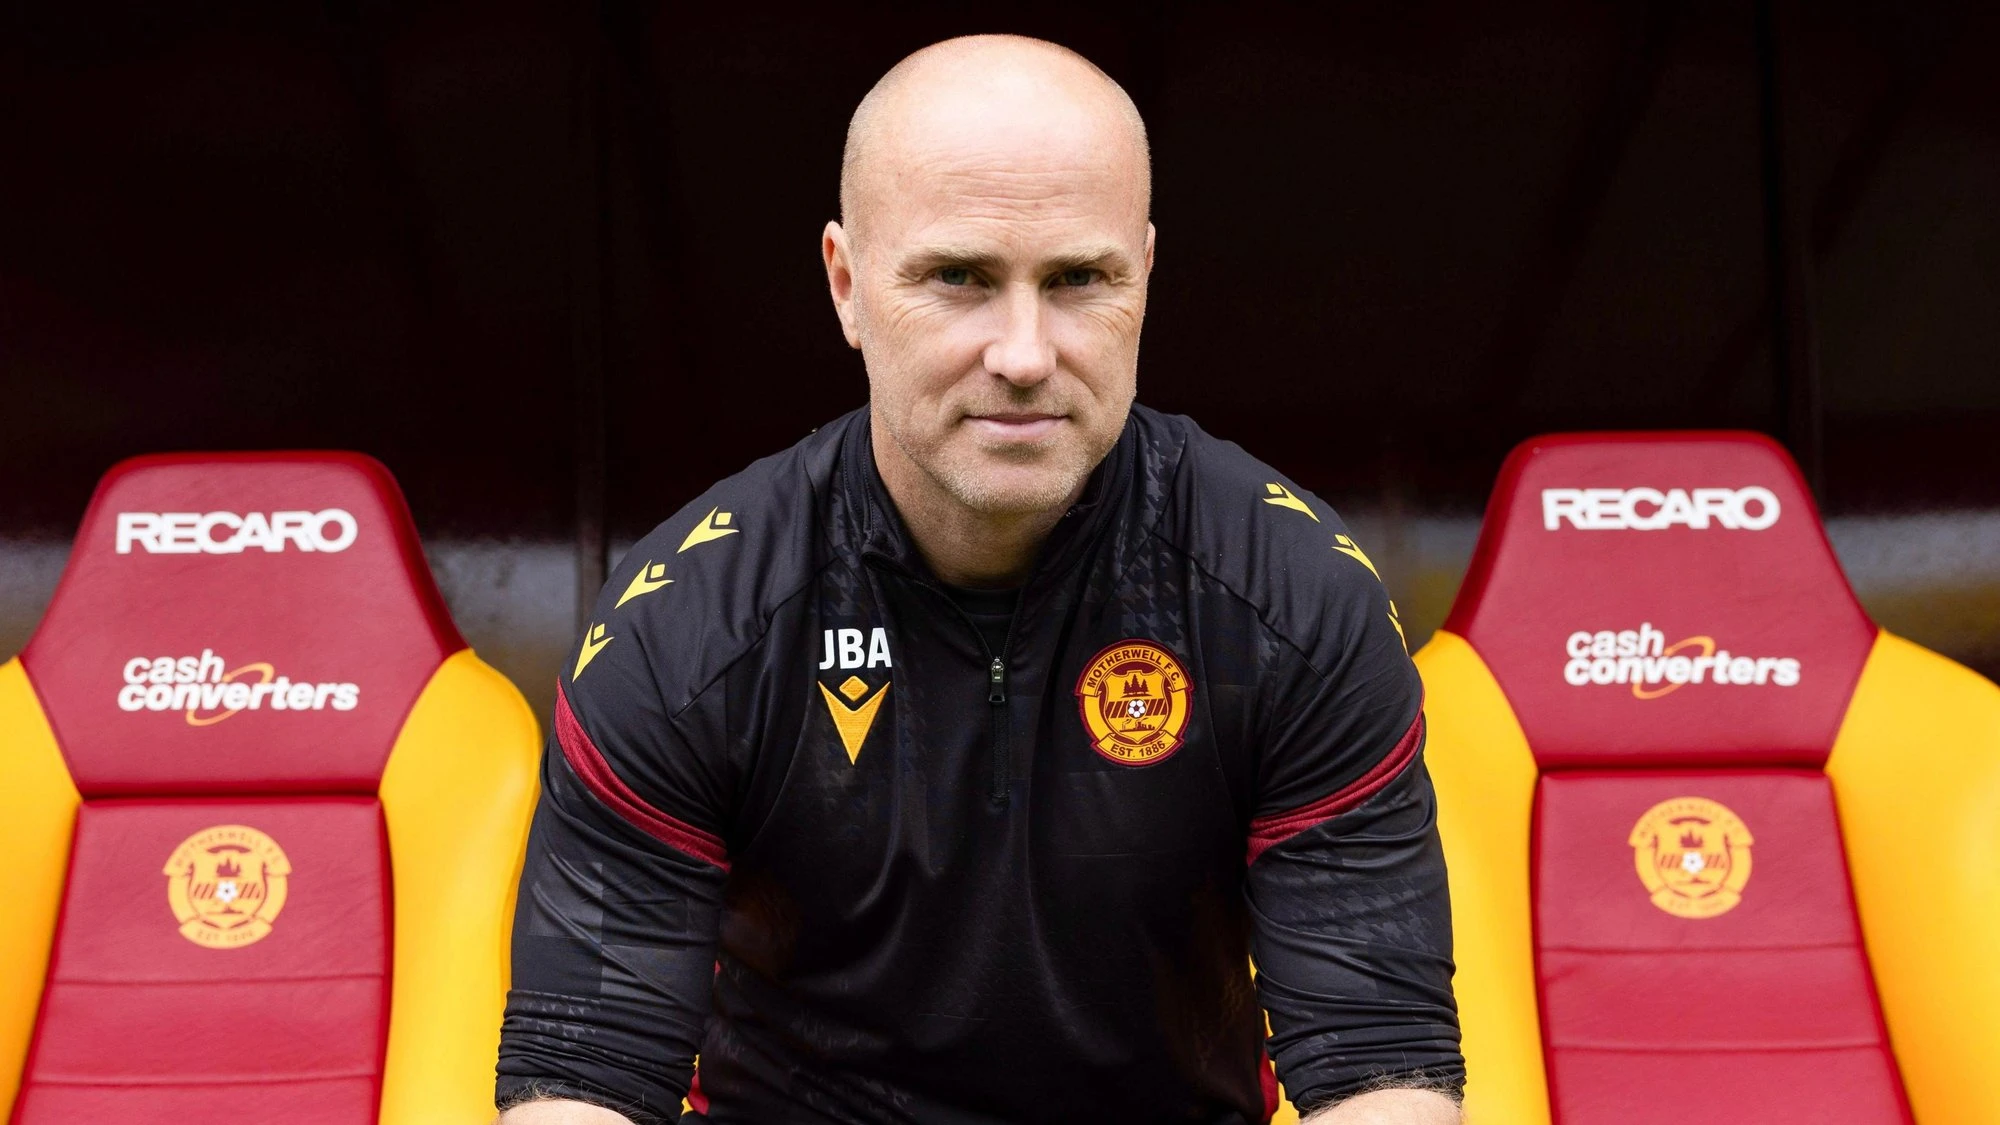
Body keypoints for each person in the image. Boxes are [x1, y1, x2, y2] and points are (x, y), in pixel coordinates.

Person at [495, 34, 1462, 1125]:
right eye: (957, 278)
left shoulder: (1290, 596)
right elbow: (583, 1080)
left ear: (1144, 276)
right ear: (847, 285)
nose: (1023, 354)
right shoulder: (687, 627)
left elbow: (1381, 1067)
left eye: (1079, 280)